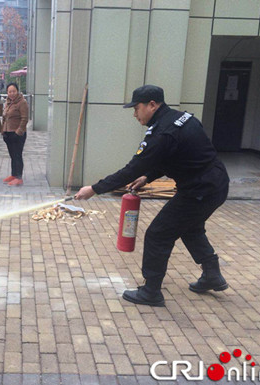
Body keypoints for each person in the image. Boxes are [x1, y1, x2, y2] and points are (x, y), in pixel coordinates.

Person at [75, 85, 229, 307]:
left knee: (158, 234)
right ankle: (212, 274)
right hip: (216, 184)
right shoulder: (181, 119)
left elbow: (131, 169)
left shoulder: (161, 134)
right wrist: (148, 176)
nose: (135, 114)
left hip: (199, 190)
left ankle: (151, 291)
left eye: (137, 108)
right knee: (190, 227)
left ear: (152, 105)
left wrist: (95, 189)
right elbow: (177, 156)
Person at [1, 83, 28, 186]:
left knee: (17, 155)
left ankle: (19, 177)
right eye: (9, 91)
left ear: (17, 91)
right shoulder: (8, 102)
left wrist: (18, 132)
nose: (11, 93)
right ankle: (13, 174)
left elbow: (24, 118)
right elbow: (4, 118)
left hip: (18, 134)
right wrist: (3, 131)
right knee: (12, 155)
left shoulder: (22, 102)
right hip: (8, 133)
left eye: (13, 91)